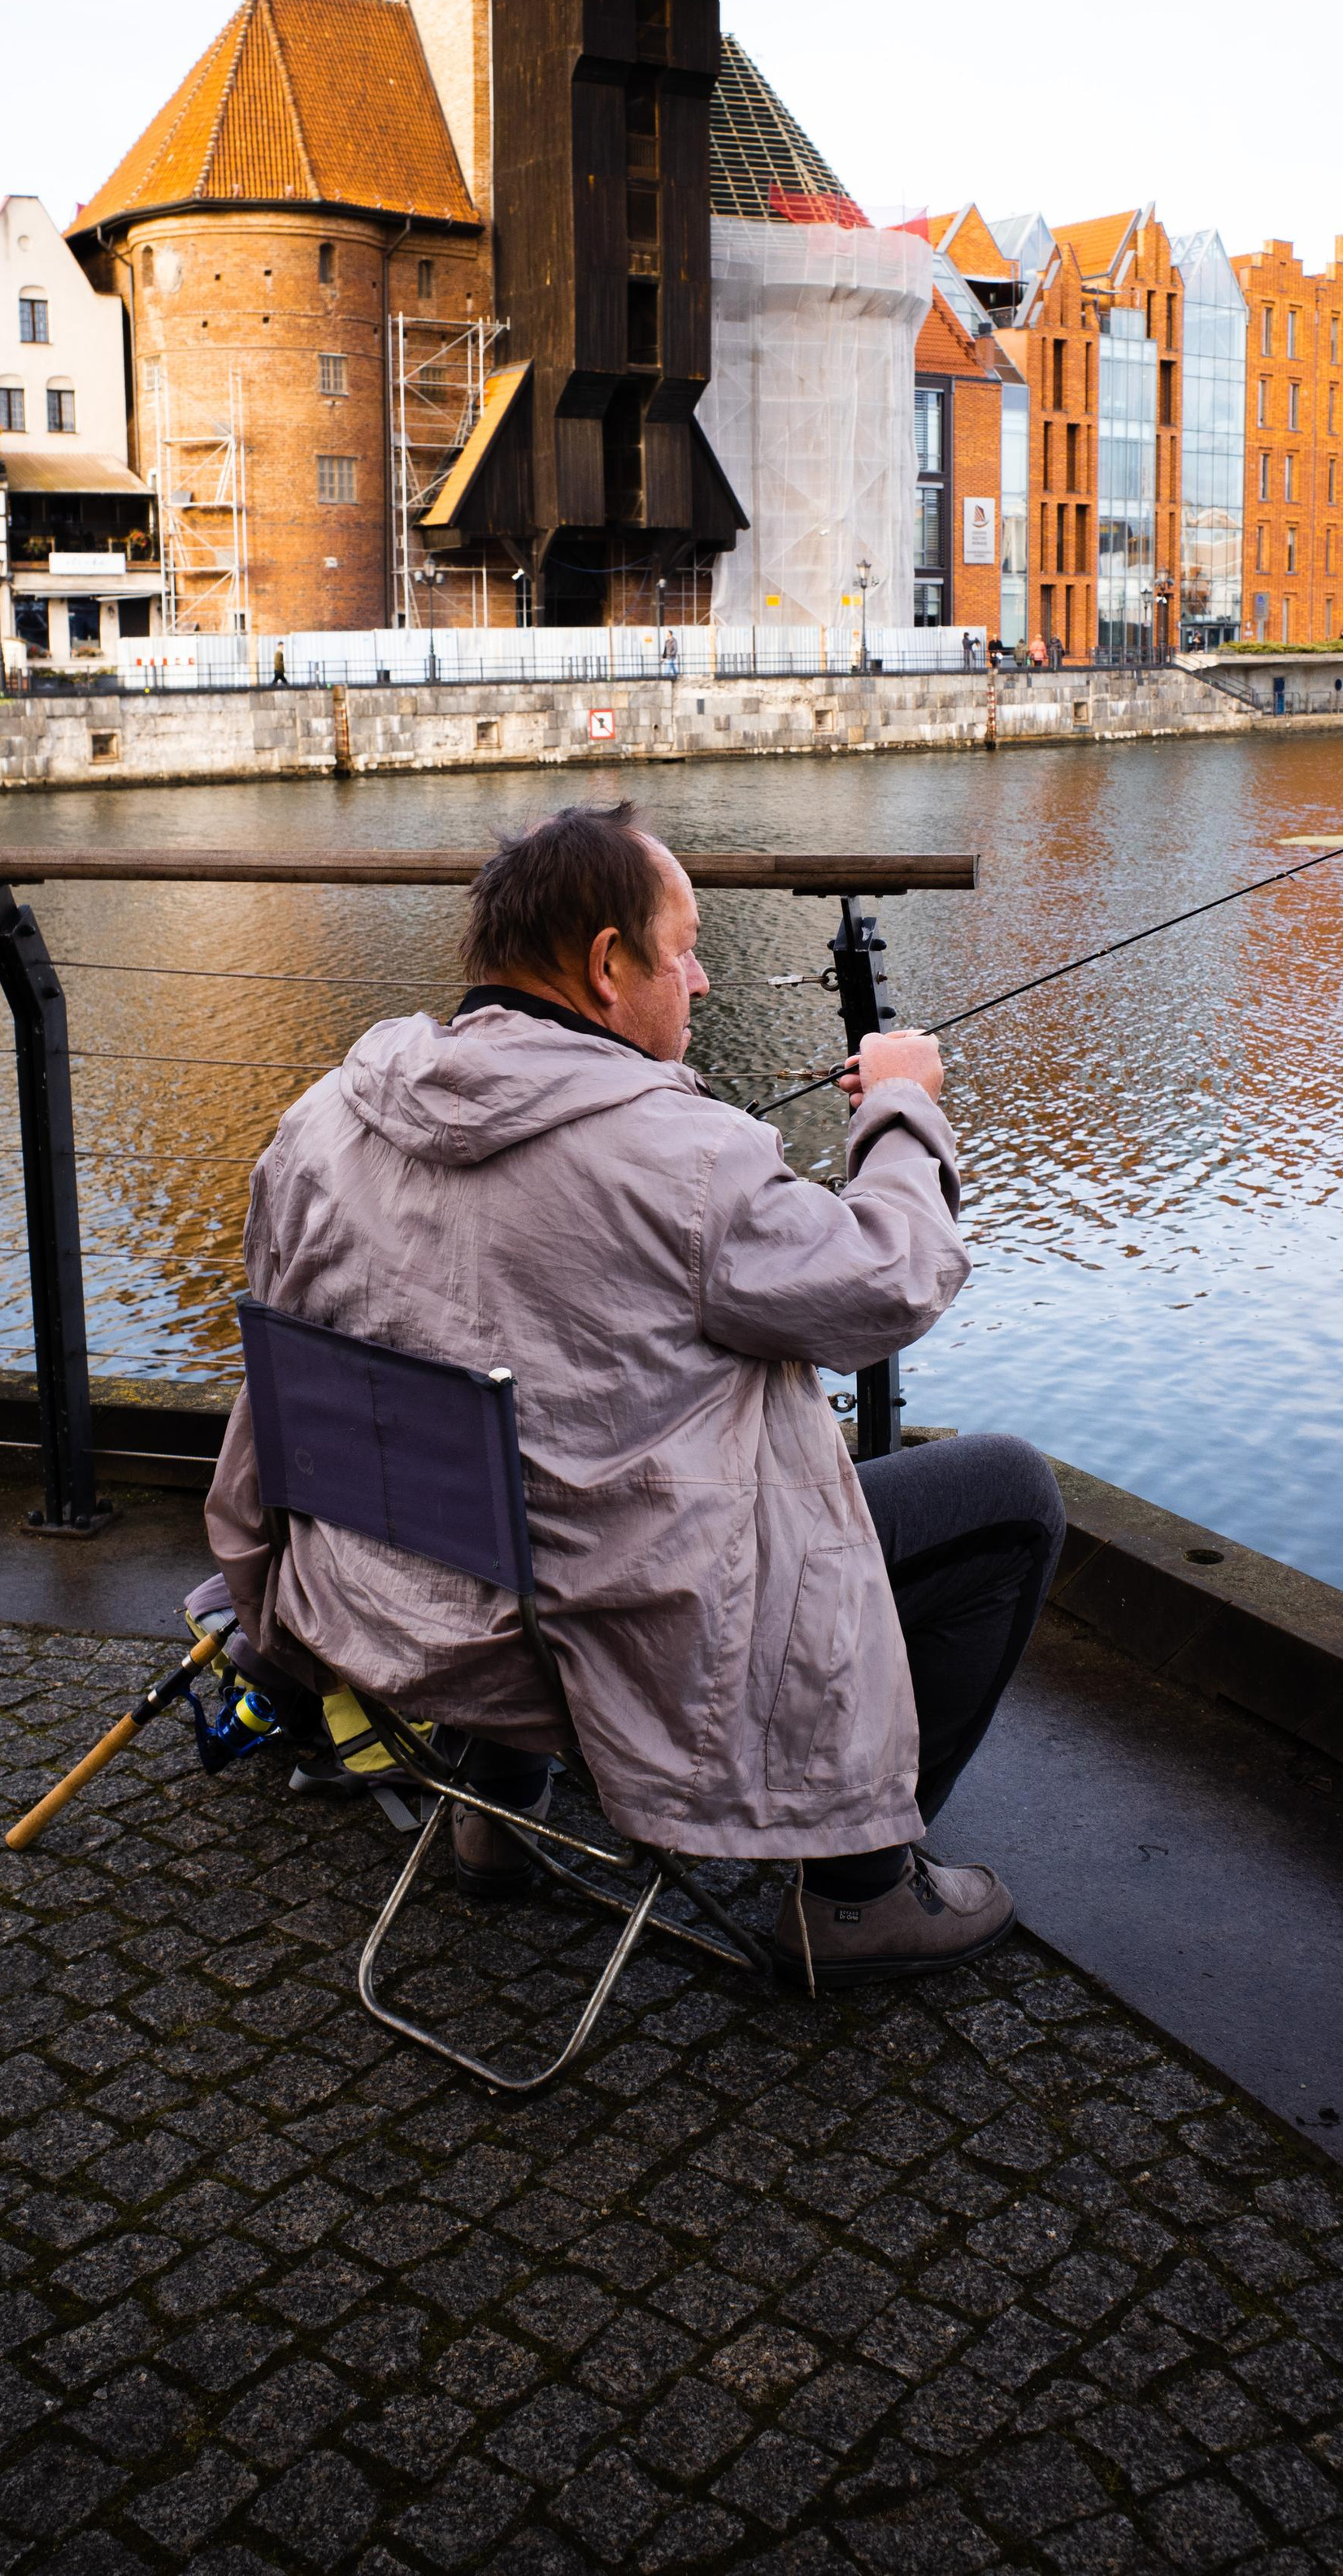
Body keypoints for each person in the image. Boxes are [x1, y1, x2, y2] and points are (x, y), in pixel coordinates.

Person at [206, 801, 1063, 1986]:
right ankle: (863, 1887)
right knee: (1009, 1492)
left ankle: (497, 1814)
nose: (702, 980)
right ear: (609, 965)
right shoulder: (686, 1158)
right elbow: (889, 1284)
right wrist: (902, 1111)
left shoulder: (318, 1124)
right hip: (604, 1645)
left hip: (380, 1606)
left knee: (505, 1438)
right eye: (687, 946)